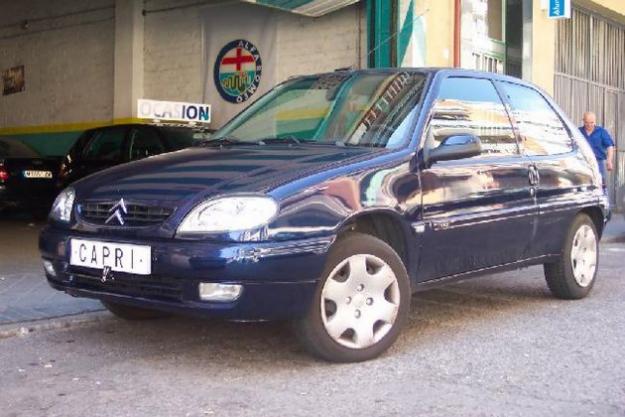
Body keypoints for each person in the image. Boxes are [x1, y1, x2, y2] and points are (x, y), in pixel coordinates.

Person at [579, 111, 615, 191]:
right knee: (584, 186)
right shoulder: (578, 131)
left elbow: (609, 146)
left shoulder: (601, 131)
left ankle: (603, 202)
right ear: (583, 121)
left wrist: (609, 160)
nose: (589, 125)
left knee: (601, 185)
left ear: (595, 121)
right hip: (582, 162)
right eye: (587, 122)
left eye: (591, 122)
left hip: (598, 163)